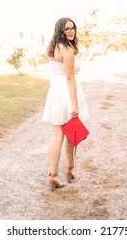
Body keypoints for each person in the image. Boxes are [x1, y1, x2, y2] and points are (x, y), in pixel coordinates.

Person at [42, 17, 89, 191]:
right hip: (67, 94)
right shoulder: (67, 49)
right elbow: (70, 77)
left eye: (73, 28)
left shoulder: (54, 47)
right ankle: (68, 170)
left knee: (58, 135)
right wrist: (75, 104)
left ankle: (54, 175)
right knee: (70, 133)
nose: (71, 31)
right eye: (67, 29)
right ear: (60, 30)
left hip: (55, 92)